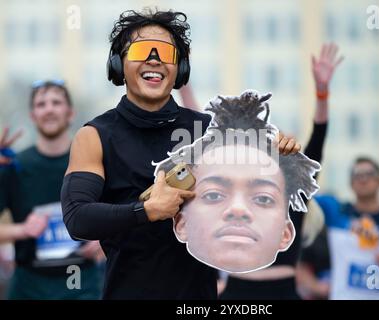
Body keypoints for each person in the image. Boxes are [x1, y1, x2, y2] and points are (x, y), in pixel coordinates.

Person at [60, 8, 300, 299]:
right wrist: (145, 211)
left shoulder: (213, 133)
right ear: (118, 64)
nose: (154, 59)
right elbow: (77, 219)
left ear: (180, 69)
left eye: (165, 52)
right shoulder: (95, 135)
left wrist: (278, 156)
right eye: (140, 50)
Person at [217, 43, 342, 300]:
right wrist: (183, 85)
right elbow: (204, 137)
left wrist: (321, 92)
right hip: (237, 293)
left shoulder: (294, 191)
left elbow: (318, 140)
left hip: (282, 292)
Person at [158, 91, 320, 273]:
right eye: (214, 195)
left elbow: (316, 144)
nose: (238, 209)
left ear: (286, 232)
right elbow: (201, 141)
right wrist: (183, 86)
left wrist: (322, 96)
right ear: (181, 225)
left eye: (263, 199)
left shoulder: (288, 202)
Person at [0, 81, 103, 299]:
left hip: (82, 282)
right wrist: (23, 230)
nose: (49, 109)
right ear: (33, 116)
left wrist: (106, 238)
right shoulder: (13, 166)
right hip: (29, 286)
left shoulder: (94, 159)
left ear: (70, 113)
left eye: (56, 102)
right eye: (41, 104)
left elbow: (126, 212)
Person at [317, 157, 379, 300]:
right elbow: (303, 190)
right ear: (351, 183)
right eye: (357, 175)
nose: (363, 179)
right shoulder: (337, 212)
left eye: (369, 174)